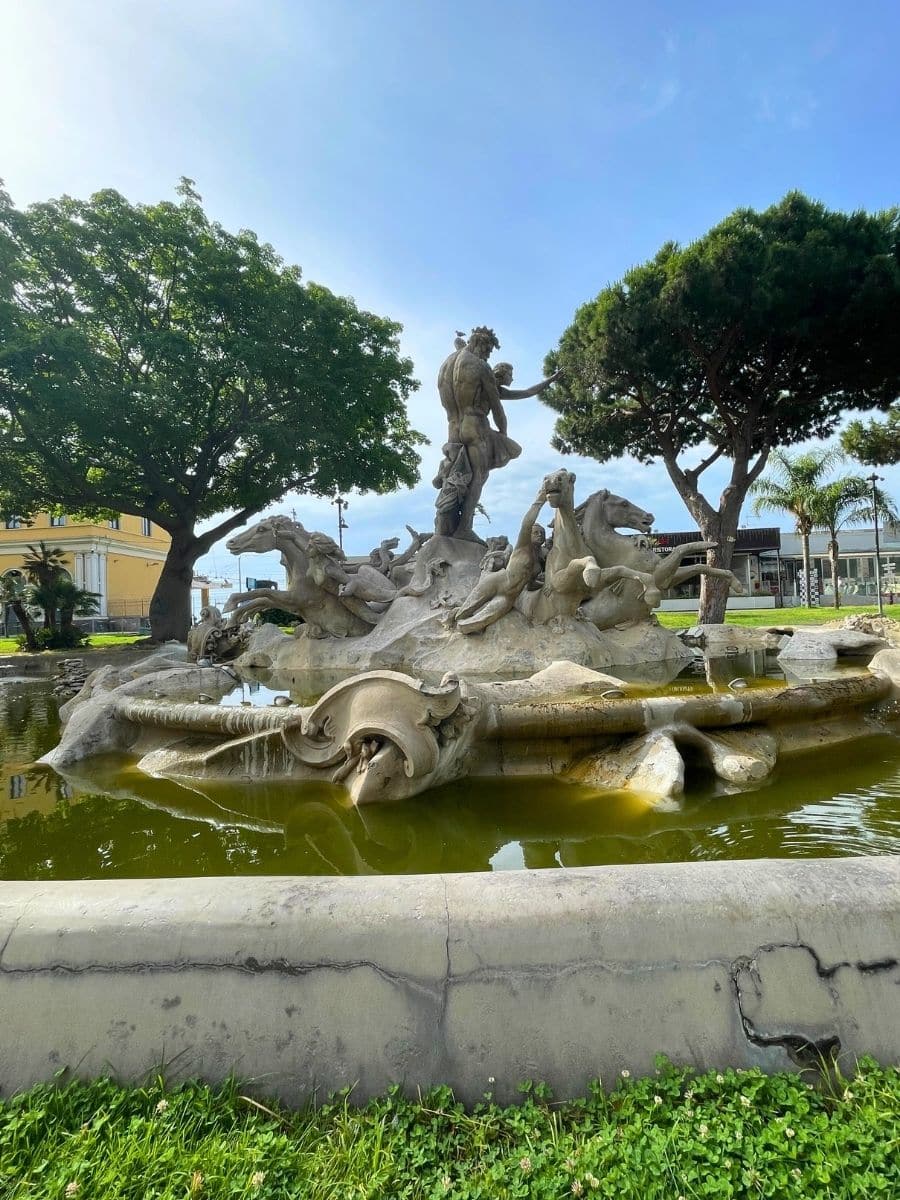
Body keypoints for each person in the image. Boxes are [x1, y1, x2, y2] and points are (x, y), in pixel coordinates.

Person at [434, 328, 560, 540]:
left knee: (457, 476)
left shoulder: (449, 363)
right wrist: (503, 434)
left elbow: (524, 392)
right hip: (476, 426)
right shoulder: (480, 367)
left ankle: (447, 519)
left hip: (454, 428)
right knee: (478, 478)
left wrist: (548, 380)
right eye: (488, 350)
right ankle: (464, 527)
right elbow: (497, 408)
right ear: (481, 344)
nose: (488, 355)